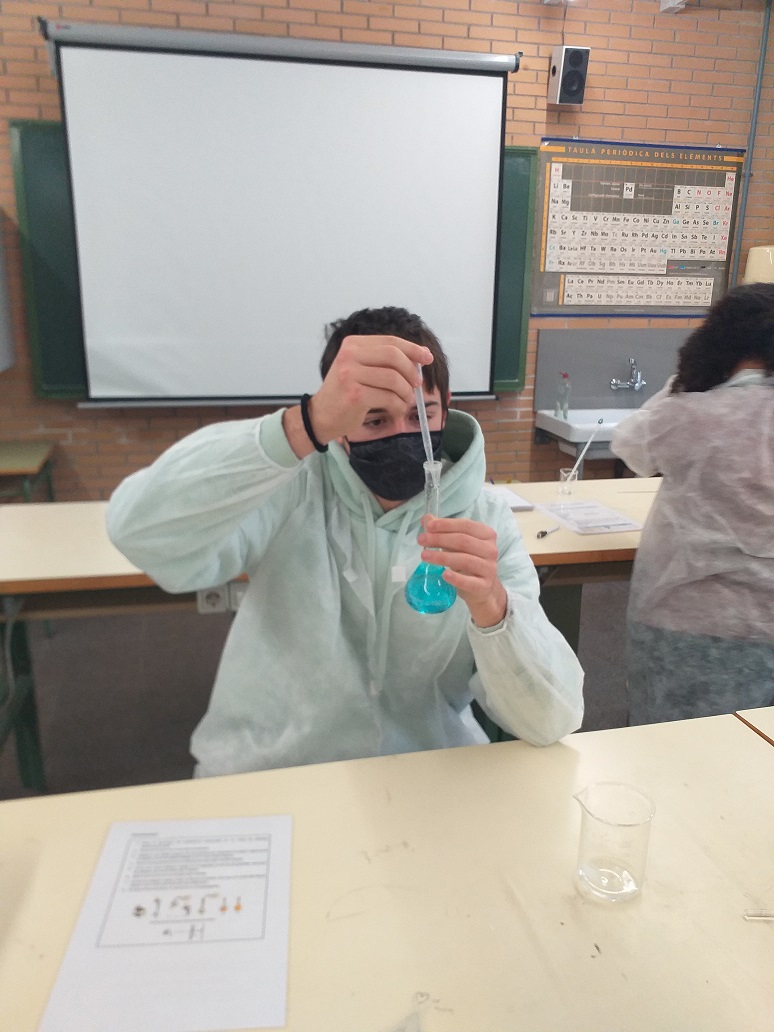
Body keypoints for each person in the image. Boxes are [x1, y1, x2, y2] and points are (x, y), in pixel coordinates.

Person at [107, 306, 584, 776]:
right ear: (338, 426)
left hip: (422, 775)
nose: (403, 435)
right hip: (276, 770)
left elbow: (551, 719)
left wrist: (495, 610)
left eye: (421, 415)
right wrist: (303, 424)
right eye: (375, 421)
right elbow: (140, 532)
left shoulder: (484, 519)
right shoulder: (291, 489)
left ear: (446, 404)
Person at [611, 282, 774, 725]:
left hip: (686, 620)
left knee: (673, 752)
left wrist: (683, 385)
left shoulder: (688, 414)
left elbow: (629, 445)